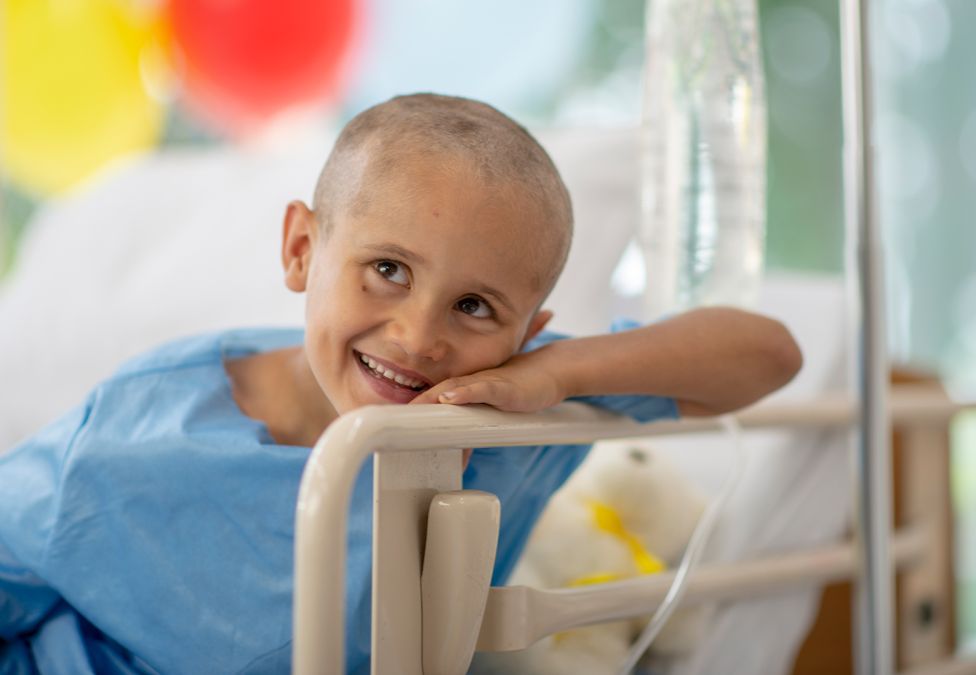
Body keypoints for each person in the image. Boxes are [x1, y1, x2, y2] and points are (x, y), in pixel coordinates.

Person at [0, 93, 802, 674]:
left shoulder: (515, 403)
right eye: (387, 269)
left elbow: (768, 354)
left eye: (475, 306)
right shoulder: (144, 426)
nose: (420, 337)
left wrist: (554, 371)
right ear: (301, 251)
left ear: (525, 328)